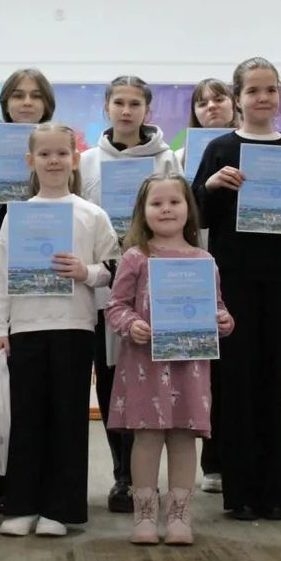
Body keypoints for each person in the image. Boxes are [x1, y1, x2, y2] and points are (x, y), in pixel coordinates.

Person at [192, 57, 281, 522]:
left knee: (277, 383)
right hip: (233, 279)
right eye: (253, 90)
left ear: (279, 95)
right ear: (238, 98)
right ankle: (240, 491)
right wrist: (209, 186)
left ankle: (276, 493)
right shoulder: (220, 148)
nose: (263, 98)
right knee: (237, 382)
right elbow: (196, 216)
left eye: (270, 90)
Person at [0, 123, 120, 537]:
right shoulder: (17, 214)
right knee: (26, 419)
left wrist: (86, 272)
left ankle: (60, 510)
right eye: (44, 154)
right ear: (30, 161)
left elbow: (113, 269)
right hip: (25, 330)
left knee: (68, 419)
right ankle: (22, 505)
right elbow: (1, 275)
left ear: (75, 159)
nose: (53, 161)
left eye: (62, 153)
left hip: (75, 328)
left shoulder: (92, 214)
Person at [105, 173, 235, 545]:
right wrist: (131, 324)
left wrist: (224, 321)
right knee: (146, 439)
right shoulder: (135, 257)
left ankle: (179, 516)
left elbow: (218, 308)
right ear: (142, 212)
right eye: (157, 203)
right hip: (145, 367)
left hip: (189, 369)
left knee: (183, 438)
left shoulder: (204, 260)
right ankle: (145, 515)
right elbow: (115, 306)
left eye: (174, 202)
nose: (166, 209)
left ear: (188, 210)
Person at [78, 75, 179, 513]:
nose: (126, 110)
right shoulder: (86, 162)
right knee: (109, 380)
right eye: (118, 102)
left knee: (145, 381)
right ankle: (123, 475)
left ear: (146, 110)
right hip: (102, 287)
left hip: (151, 289)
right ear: (106, 107)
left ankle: (144, 477)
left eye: (135, 103)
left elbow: (179, 217)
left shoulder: (166, 161)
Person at [0, 68, 57, 514]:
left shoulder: (60, 148)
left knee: (43, 384)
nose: (27, 102)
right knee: (2, 382)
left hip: (50, 276)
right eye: (18, 95)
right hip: (3, 272)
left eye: (35, 95)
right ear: (5, 103)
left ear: (47, 103)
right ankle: (3, 481)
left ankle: (45, 478)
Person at [175, 77, 236, 494]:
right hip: (192, 270)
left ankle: (237, 456)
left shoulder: (250, 148)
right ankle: (212, 461)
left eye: (219, 99)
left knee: (235, 366)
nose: (211, 107)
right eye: (202, 102)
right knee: (205, 369)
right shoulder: (179, 157)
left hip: (235, 266)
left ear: (234, 104)